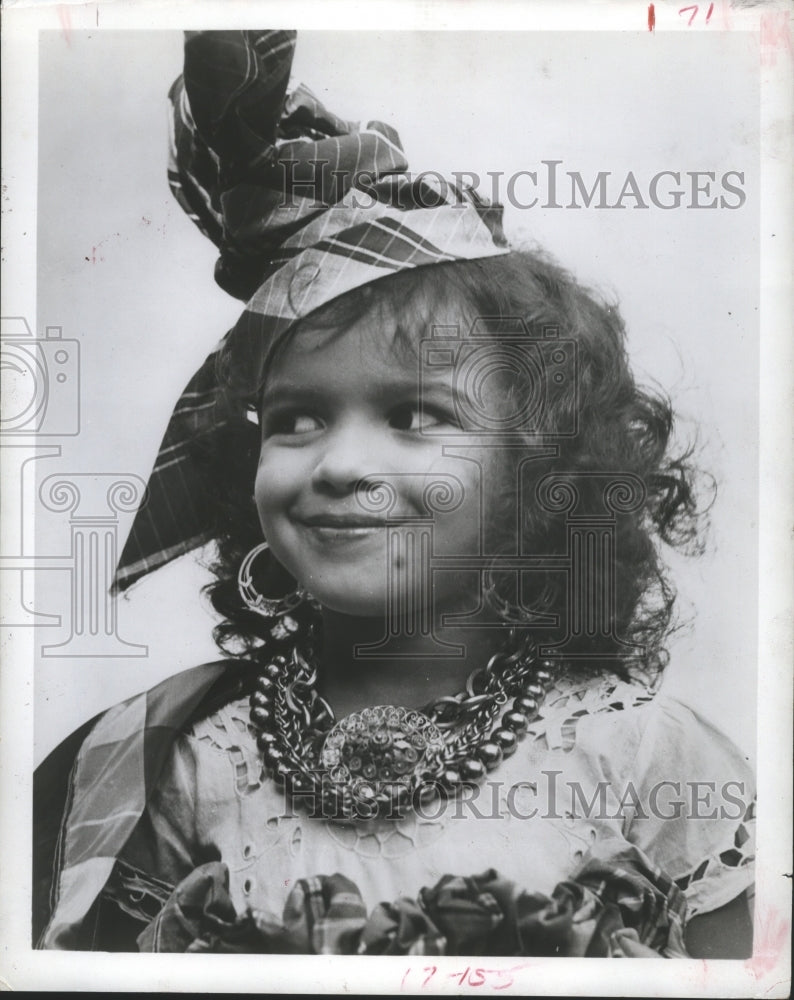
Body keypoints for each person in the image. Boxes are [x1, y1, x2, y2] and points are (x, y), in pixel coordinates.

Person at [33, 29, 755, 956]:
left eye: (415, 417)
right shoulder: (182, 765)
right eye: (295, 419)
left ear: (540, 474)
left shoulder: (643, 755)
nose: (337, 465)